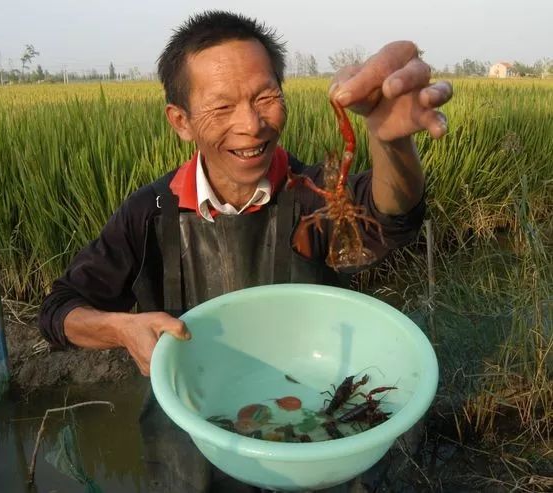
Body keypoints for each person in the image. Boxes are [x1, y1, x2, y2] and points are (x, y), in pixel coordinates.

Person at [39, 10, 452, 493]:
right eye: (221, 107)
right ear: (181, 121)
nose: (251, 125)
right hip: (193, 442)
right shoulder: (149, 212)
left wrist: (392, 142)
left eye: (266, 97)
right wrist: (120, 327)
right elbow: (58, 311)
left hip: (318, 433)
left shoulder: (310, 194)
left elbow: (391, 213)